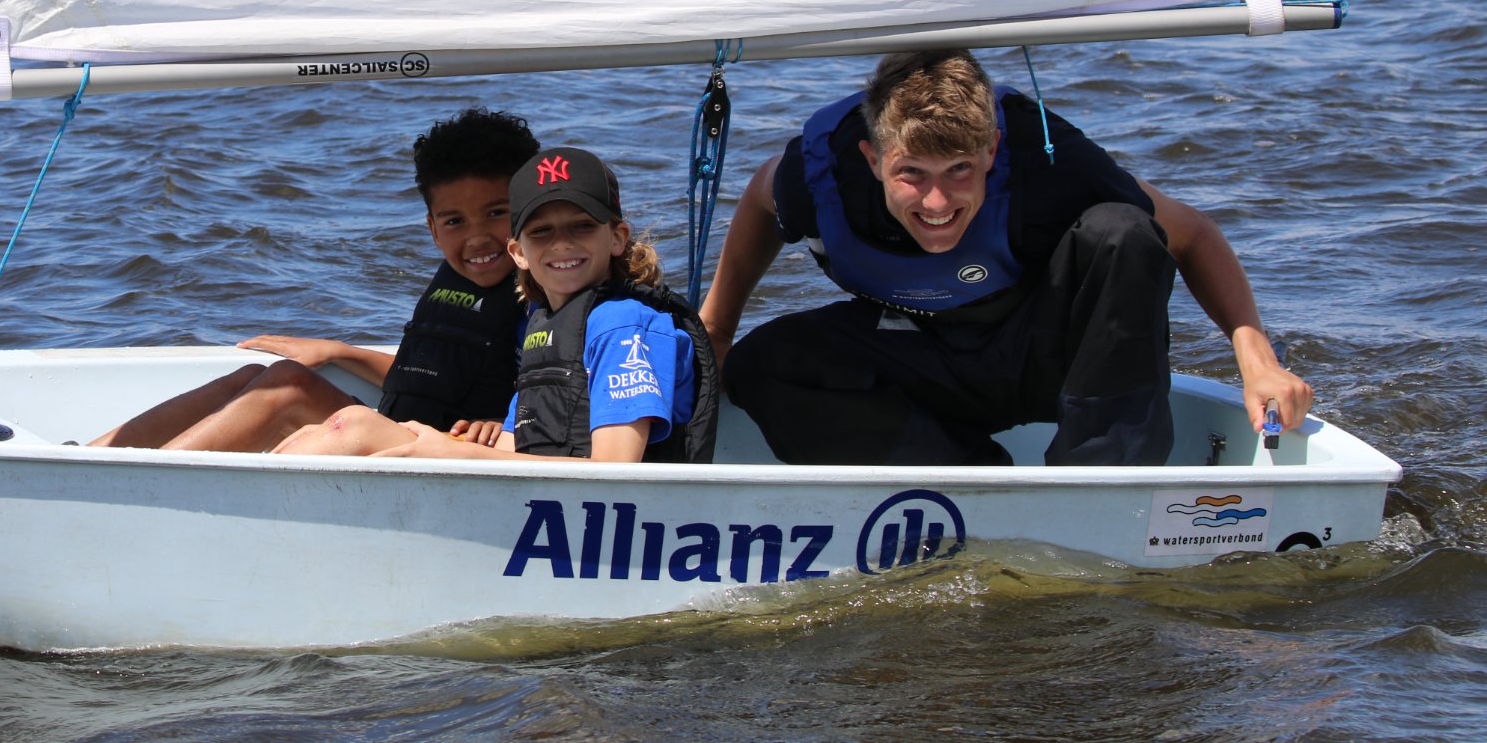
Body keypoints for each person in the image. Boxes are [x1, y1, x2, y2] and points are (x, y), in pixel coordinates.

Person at [699, 48, 1311, 467]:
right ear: (872, 159)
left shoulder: (1050, 160)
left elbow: (1193, 233)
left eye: (959, 170)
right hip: (922, 351)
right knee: (760, 364)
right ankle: (959, 477)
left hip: (1047, 357)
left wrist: (1257, 361)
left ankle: (1104, 474)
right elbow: (759, 199)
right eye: (912, 174)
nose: (937, 202)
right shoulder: (821, 175)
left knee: (1123, 232)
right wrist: (718, 330)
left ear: (992, 150)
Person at [85, 108, 538, 450]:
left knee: (289, 388)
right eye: (455, 221)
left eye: (495, 213)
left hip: (442, 452)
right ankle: (90, 456)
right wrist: (343, 352)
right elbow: (430, 377)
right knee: (258, 375)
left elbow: (552, 391)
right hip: (395, 426)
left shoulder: (536, 291)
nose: (477, 238)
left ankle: (135, 483)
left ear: (526, 212)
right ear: (433, 229)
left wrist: (505, 427)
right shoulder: (459, 278)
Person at [278, 146, 717, 463]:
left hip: (592, 523)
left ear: (617, 238)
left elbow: (615, 472)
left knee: (358, 427)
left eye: (582, 226)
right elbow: (513, 446)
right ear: (518, 253)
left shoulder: (624, 326)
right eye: (541, 232)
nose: (562, 243)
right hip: (536, 504)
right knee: (353, 422)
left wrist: (455, 455)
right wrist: (445, 443)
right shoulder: (543, 327)